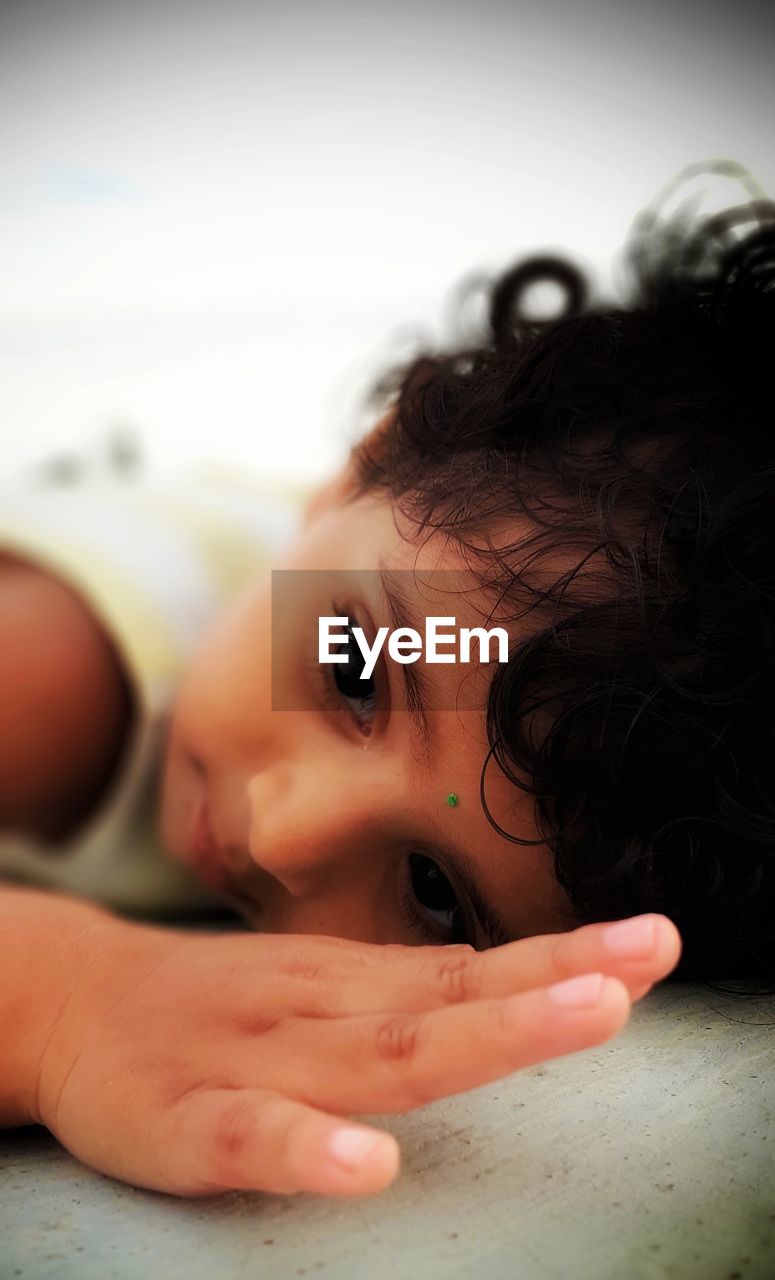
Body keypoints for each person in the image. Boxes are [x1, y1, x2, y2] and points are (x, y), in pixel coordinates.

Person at [2, 159, 772, 1199]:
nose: (285, 831)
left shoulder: (401, 579)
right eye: (355, 669)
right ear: (360, 463)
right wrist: (58, 999)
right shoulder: (66, 665)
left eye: (433, 892)